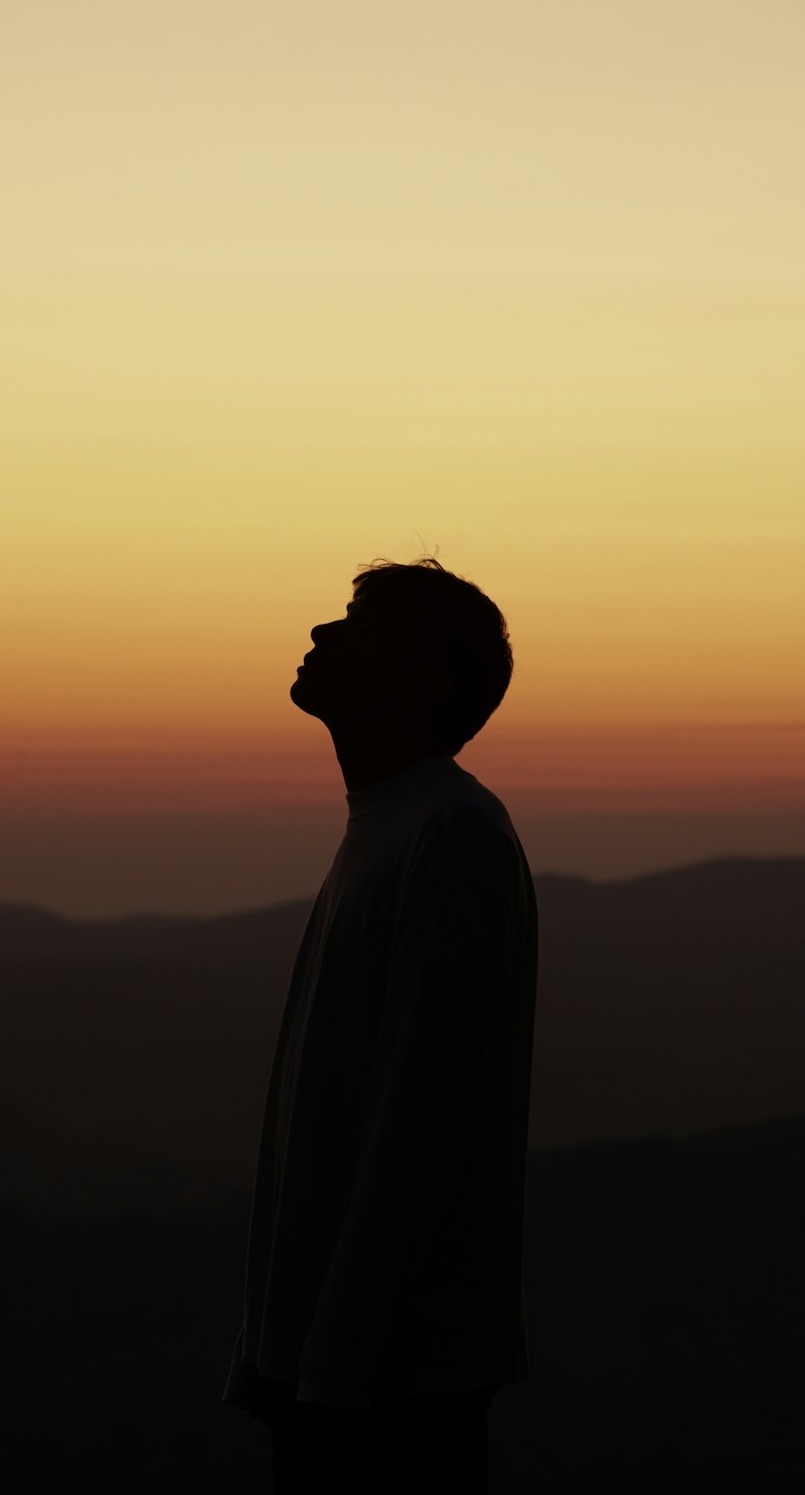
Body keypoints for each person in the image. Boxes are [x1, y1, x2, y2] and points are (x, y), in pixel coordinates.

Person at [221, 555, 539, 1493]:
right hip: (340, 1371)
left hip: (388, 1388)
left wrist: (334, 1366)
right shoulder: (390, 825)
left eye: (358, 625)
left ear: (423, 679)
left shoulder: (454, 834)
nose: (324, 635)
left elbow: (423, 1118)